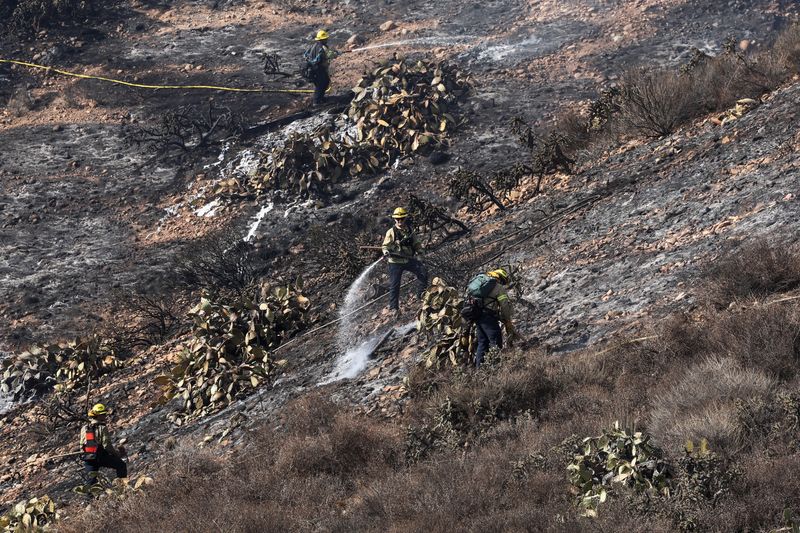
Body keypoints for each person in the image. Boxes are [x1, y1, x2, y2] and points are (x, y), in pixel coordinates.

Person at [463, 268, 517, 367]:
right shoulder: (498, 286)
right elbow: (504, 305)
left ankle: (480, 370)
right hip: (489, 317)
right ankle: (495, 368)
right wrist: (507, 319)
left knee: (482, 342)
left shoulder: (481, 283)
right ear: (500, 278)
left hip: (477, 316)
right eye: (503, 281)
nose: (503, 284)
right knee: (496, 341)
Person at [382, 207, 428, 316]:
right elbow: (385, 246)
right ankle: (394, 308)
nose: (399, 221)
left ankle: (421, 295)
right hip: (395, 261)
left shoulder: (410, 231)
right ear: (395, 220)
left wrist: (420, 253)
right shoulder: (391, 232)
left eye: (401, 219)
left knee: (423, 272)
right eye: (397, 219)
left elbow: (417, 244)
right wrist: (386, 252)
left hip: (408, 259)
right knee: (395, 285)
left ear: (404, 218)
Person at [80, 403, 127, 484]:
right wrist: (116, 454)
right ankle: (122, 487)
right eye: (103, 414)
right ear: (98, 416)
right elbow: (107, 445)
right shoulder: (102, 427)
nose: (105, 415)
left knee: (91, 480)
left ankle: (90, 496)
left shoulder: (84, 428)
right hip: (100, 456)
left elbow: (81, 444)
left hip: (88, 457)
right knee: (121, 465)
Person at [303, 29, 340, 106]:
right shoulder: (323, 47)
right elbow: (331, 55)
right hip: (319, 69)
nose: (327, 40)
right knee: (321, 85)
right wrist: (337, 53)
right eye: (325, 39)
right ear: (322, 39)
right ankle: (316, 102)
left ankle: (320, 99)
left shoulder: (313, 46)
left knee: (324, 83)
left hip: (313, 69)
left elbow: (306, 55)